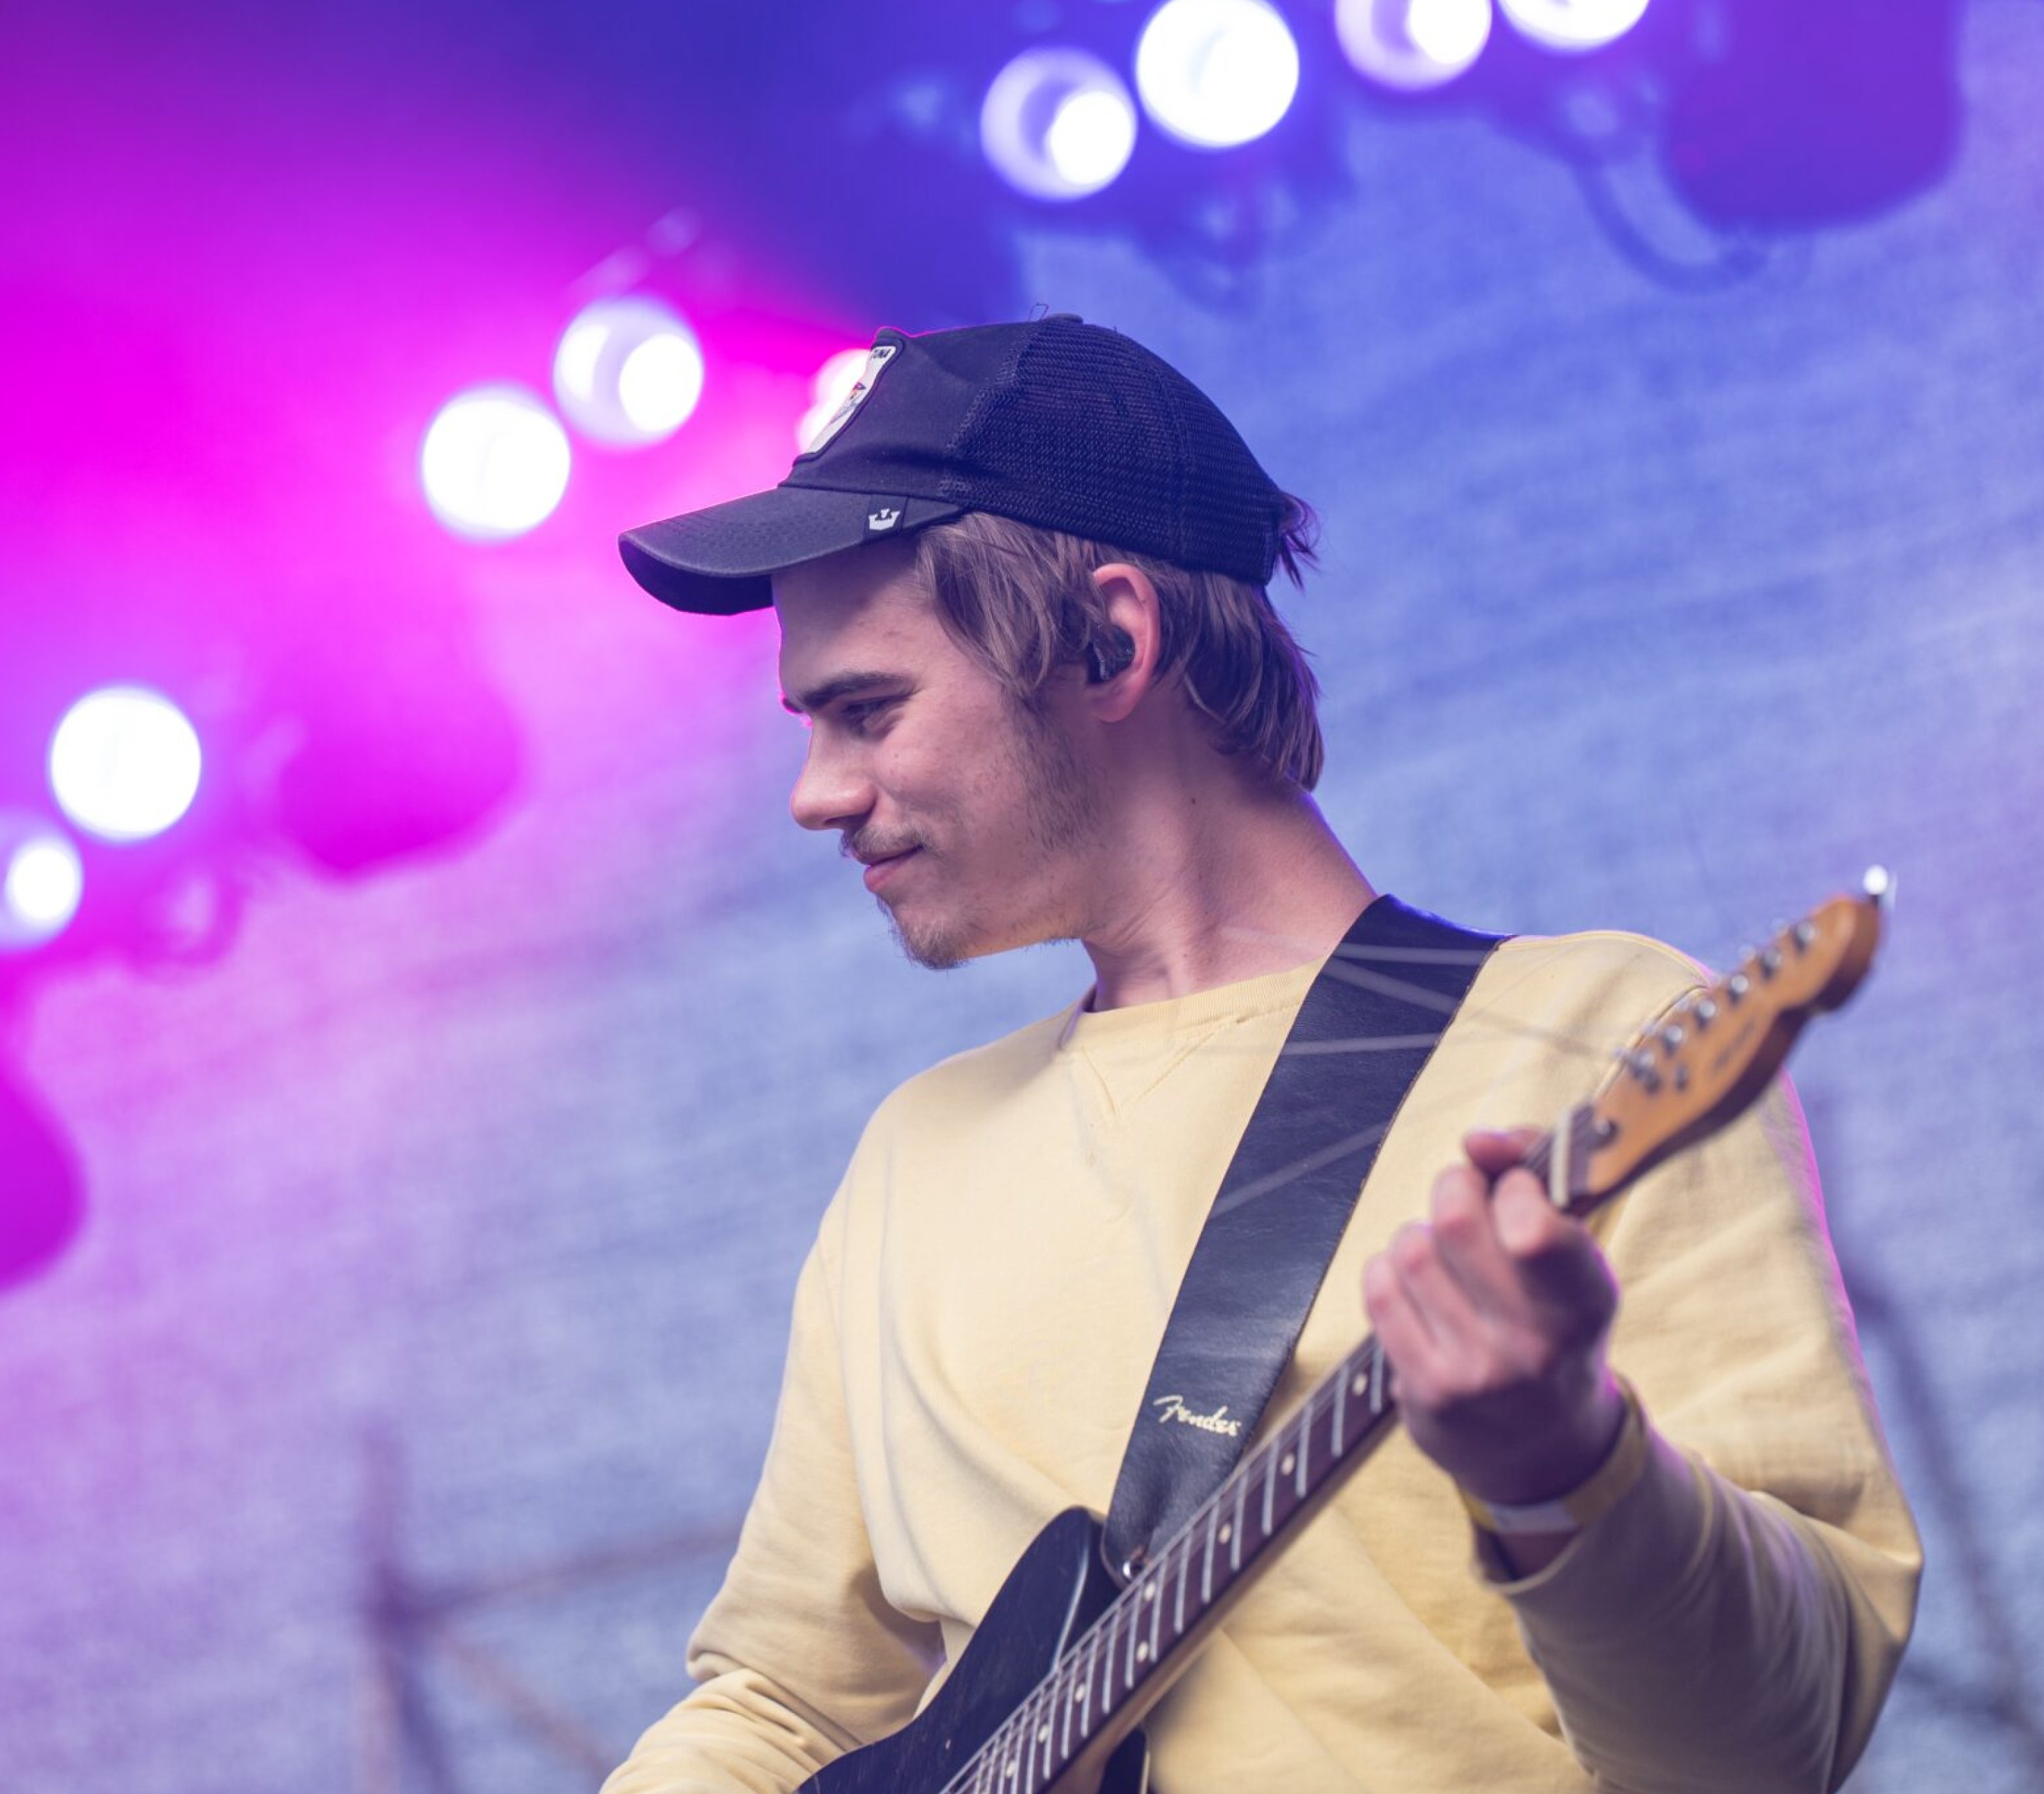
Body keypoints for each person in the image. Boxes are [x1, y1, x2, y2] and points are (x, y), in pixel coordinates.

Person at [602, 316, 1920, 1794]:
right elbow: (782, 1707)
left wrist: (1566, 1468)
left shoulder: (1595, 1042)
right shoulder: (916, 1157)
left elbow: (1767, 1754)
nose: (815, 794)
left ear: (1107, 639)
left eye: (867, 710)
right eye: (812, 722)